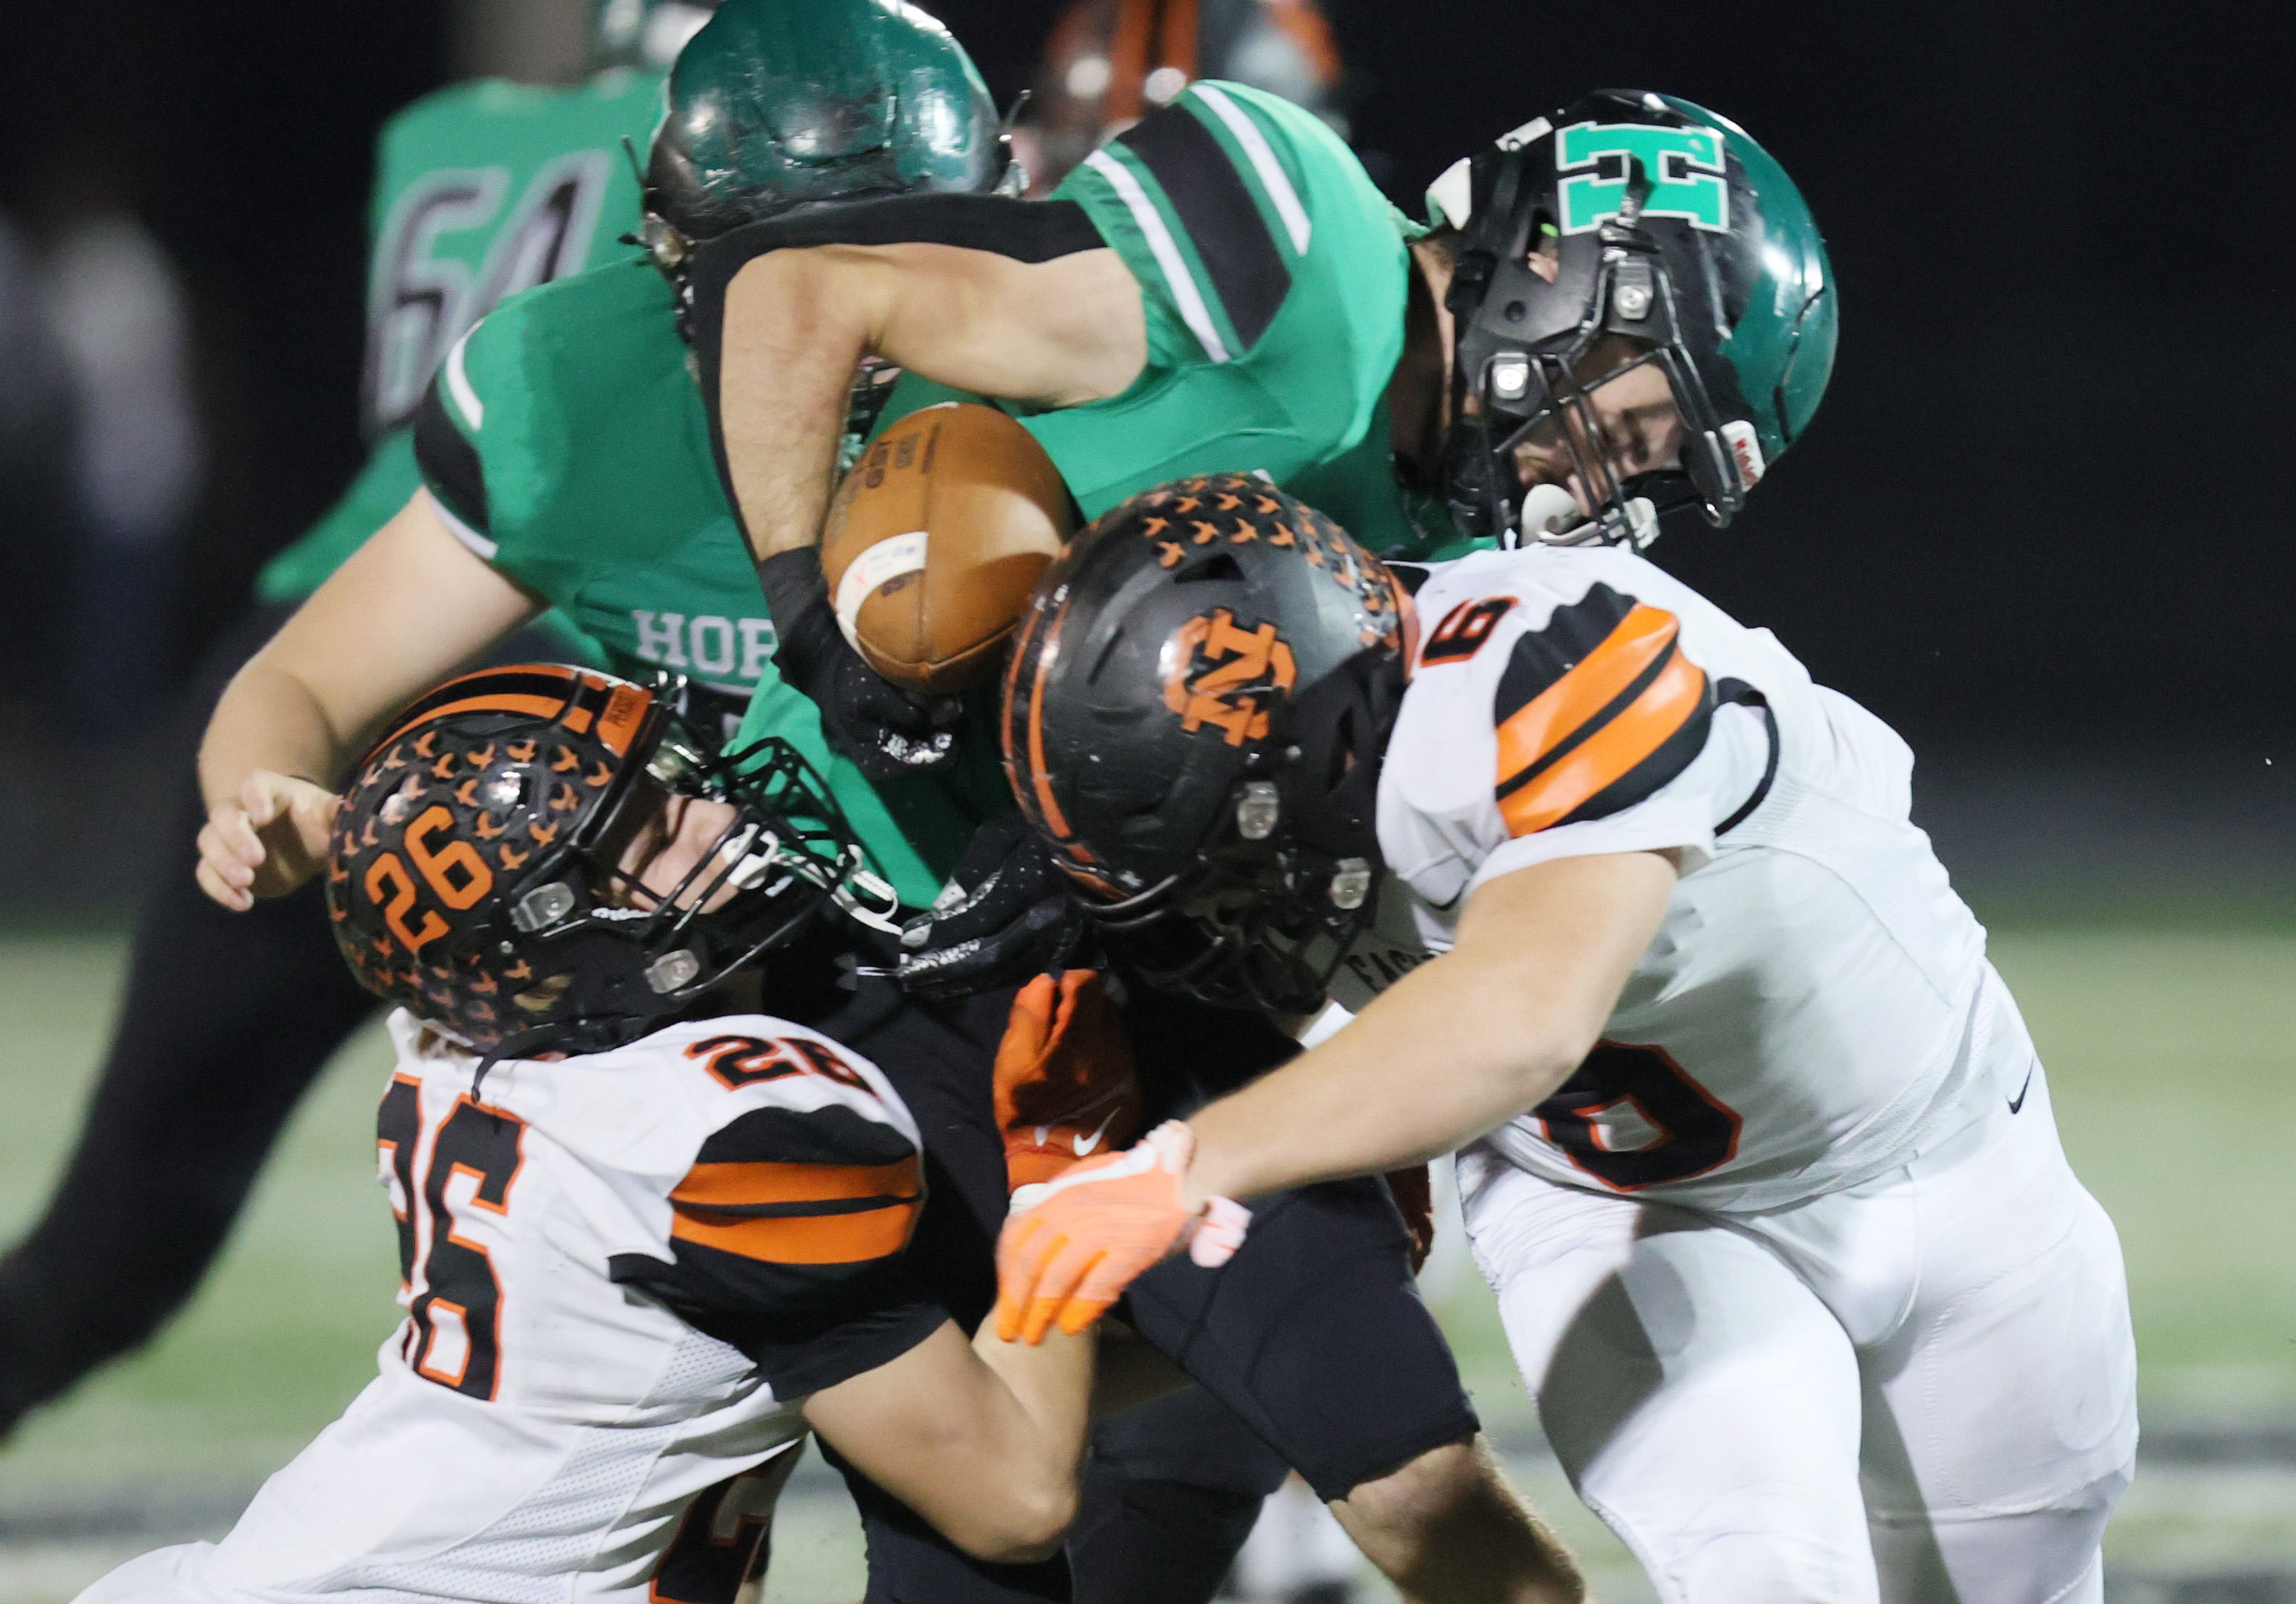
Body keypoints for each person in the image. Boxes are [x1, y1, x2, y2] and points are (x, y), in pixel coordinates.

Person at [193, 7, 1574, 1603]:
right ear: (670, 253)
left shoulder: (1086, 346)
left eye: (895, 241)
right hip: (830, 1013)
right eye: (782, 262)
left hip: (1121, 979)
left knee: (1378, 1465)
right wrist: (267, 803)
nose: (848, 325)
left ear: (990, 199)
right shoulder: (576, 391)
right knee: (951, 1511)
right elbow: (292, 690)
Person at [983, 102, 2139, 1602]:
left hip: (1961, 1168)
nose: (1617, 485)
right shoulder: (1286, 640)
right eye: (1645, 419)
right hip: (1633, 1212)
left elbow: (1522, 1009)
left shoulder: (1547, 639)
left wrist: (1189, 1162)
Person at [0, 0, 718, 1437]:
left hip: (324, 638)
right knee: (740, 1203)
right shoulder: (709, 166)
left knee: (128, 1222)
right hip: (555, 701)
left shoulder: (444, 132)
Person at [75, 662, 1105, 1604]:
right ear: (570, 938)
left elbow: (467, 900)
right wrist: (1067, 1167)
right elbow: (1016, 1497)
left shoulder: (467, 1046)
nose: (712, 813)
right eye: (655, 832)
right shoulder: (720, 1125)